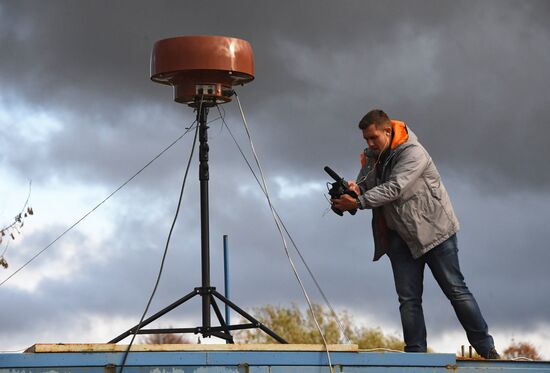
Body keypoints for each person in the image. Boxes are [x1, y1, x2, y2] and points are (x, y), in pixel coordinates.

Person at [331, 109, 499, 358]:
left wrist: (357, 203)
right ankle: (415, 357)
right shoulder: (371, 156)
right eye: (365, 139)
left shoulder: (413, 152)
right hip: (399, 236)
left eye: (373, 137)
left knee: (456, 290)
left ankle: (488, 350)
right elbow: (366, 184)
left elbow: (394, 188)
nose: (369, 143)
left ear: (387, 131)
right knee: (408, 300)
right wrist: (353, 190)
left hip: (435, 232)